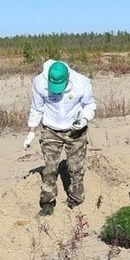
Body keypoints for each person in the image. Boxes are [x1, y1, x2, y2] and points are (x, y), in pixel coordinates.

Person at [24, 59, 96, 216]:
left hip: (75, 129)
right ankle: (48, 202)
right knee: (50, 168)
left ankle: (76, 198)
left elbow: (89, 105)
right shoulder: (38, 82)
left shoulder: (81, 82)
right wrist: (31, 132)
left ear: (68, 78)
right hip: (51, 129)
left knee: (75, 167)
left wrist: (84, 119)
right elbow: (36, 108)